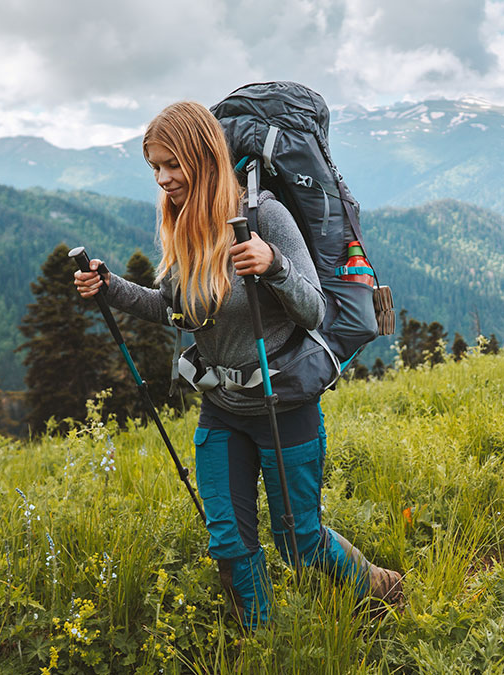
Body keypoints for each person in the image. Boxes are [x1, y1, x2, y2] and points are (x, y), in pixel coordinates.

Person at [74, 101, 401, 629]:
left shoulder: (264, 215)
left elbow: (314, 308)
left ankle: (380, 587)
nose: (163, 179)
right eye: (155, 167)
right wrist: (109, 288)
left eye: (172, 165)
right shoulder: (183, 223)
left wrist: (276, 267)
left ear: (202, 156)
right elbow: (173, 307)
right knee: (229, 541)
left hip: (284, 402)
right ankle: (263, 639)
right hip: (221, 408)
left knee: (299, 541)